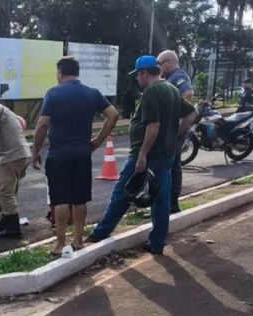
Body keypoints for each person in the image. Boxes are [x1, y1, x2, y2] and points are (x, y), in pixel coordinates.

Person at [86, 55, 198, 255]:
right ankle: (157, 242)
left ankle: (102, 232)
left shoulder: (152, 92)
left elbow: (152, 126)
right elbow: (192, 114)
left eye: (138, 75)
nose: (137, 79)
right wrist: (176, 132)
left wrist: (142, 155)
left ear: (145, 74)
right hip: (166, 153)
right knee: (161, 198)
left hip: (148, 154)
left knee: (123, 191)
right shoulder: (171, 89)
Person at [32, 56, 120, 254]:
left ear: (60, 72)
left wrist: (35, 151)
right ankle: (78, 241)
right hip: (82, 154)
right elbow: (113, 115)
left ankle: (60, 243)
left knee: (61, 200)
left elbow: (43, 125)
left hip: (58, 155)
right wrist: (97, 141)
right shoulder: (92, 93)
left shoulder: (53, 94)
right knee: (80, 199)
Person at [0, 94, 32, 238]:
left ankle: (13, 227)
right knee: (9, 189)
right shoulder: (6, 110)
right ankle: (6, 221)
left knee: (4, 192)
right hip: (22, 154)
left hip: (11, 156)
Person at [158, 50, 194, 214]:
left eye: (160, 64)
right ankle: (166, 202)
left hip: (176, 127)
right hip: (172, 127)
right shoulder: (169, 78)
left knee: (173, 164)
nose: (158, 68)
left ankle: (172, 203)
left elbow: (188, 93)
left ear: (169, 62)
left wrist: (173, 112)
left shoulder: (178, 76)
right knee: (170, 163)